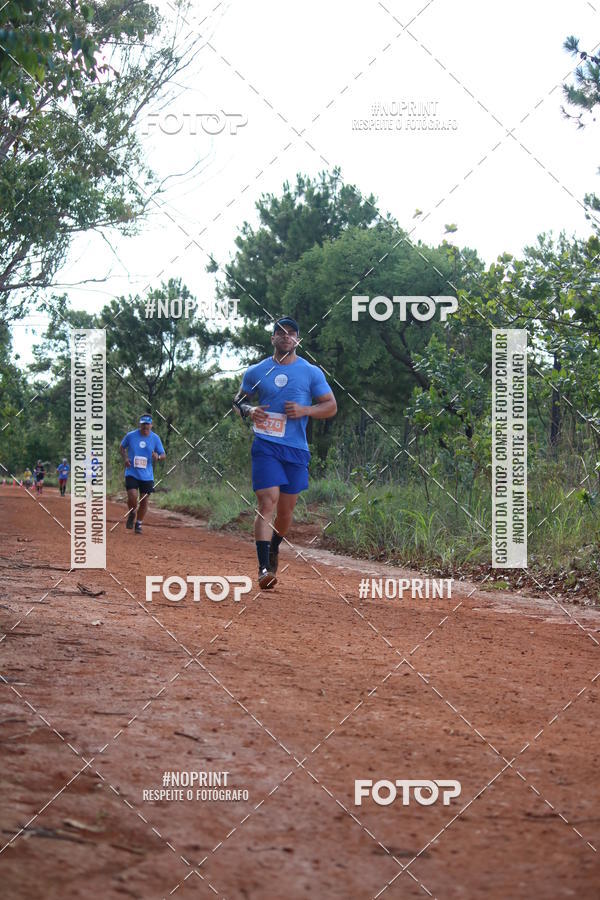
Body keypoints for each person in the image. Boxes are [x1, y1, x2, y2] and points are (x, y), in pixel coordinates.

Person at [233, 316, 337, 589]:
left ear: (297, 340)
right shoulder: (256, 371)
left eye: (291, 333)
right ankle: (263, 568)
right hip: (265, 445)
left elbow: (330, 406)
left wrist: (306, 410)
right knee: (268, 502)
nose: (285, 336)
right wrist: (250, 410)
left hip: (296, 449)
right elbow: (238, 401)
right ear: (273, 339)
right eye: (280, 332)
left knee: (285, 512)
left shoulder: (311, 372)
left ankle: (274, 545)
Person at [119, 414, 166, 534]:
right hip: (132, 472)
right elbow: (122, 447)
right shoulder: (131, 436)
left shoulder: (155, 438)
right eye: (143, 424)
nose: (145, 426)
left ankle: (139, 523)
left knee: (144, 500)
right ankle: (132, 512)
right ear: (140, 424)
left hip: (147, 475)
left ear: (151, 425)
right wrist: (125, 459)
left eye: (147, 424)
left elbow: (163, 454)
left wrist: (158, 457)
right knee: (132, 496)